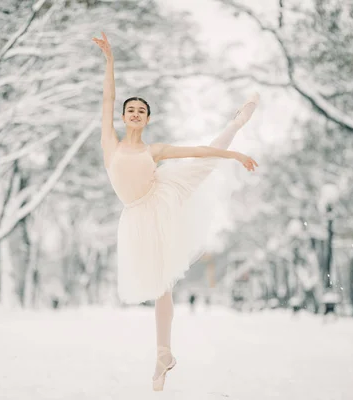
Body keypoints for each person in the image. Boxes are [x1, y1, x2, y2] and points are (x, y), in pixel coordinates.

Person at [92, 32, 260, 391]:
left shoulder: (154, 150)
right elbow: (106, 98)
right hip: (135, 217)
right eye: (130, 110)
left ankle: (235, 125)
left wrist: (234, 155)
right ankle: (163, 355)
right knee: (160, 286)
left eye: (141, 111)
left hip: (159, 201)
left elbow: (197, 151)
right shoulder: (110, 142)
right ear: (123, 118)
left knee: (201, 167)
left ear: (147, 119)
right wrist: (110, 61)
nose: (135, 113)